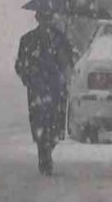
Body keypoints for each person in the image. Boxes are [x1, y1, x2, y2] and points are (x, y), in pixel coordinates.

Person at [15, 10, 77, 175]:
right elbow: (20, 65)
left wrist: (69, 59)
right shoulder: (27, 40)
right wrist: (29, 76)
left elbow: (69, 64)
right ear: (37, 19)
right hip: (37, 90)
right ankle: (44, 156)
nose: (46, 22)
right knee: (40, 125)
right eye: (43, 18)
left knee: (55, 127)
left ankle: (47, 149)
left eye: (49, 18)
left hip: (57, 90)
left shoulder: (61, 39)